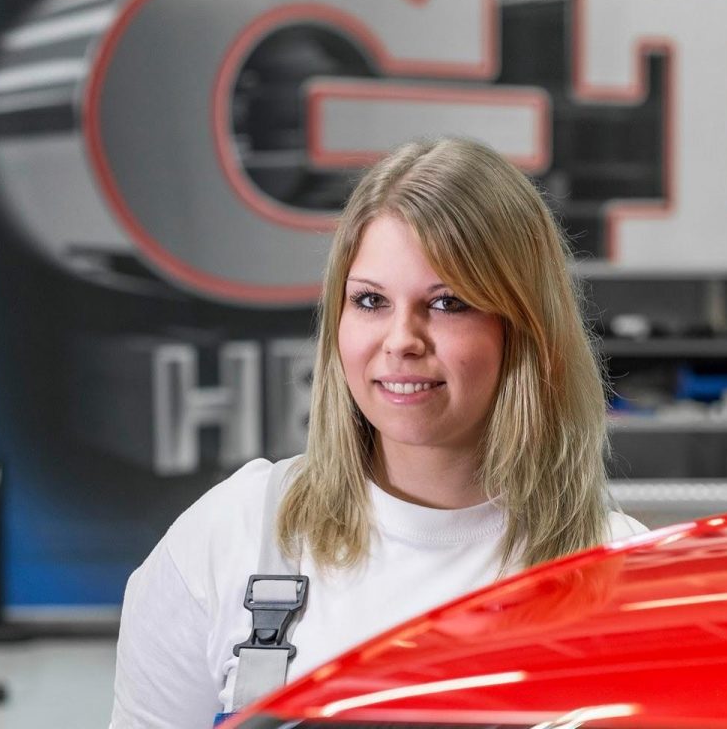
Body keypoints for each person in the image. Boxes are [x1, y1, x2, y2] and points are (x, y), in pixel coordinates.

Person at [110, 137, 647, 727]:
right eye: (370, 300)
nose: (401, 340)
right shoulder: (232, 539)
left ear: (525, 330)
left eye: (447, 303)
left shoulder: (622, 576)